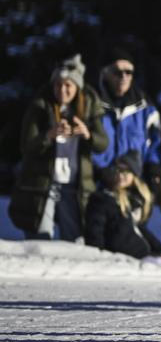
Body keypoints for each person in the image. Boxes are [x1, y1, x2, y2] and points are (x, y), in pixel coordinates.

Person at [10, 55, 109, 240]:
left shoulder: (89, 104)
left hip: (74, 186)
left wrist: (87, 134)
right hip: (42, 184)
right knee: (40, 237)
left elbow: (103, 144)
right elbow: (26, 146)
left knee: (74, 241)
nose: (62, 90)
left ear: (77, 86)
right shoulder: (41, 104)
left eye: (67, 85)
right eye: (58, 84)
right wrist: (49, 134)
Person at [92, 48, 161, 203]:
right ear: (104, 73)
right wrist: (102, 171)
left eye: (128, 71)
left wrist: (154, 174)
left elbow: (156, 144)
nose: (123, 76)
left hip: (136, 187)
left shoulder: (145, 108)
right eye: (117, 72)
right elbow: (88, 142)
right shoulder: (93, 105)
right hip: (100, 187)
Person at [84, 150, 161, 259]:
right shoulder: (103, 200)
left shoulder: (138, 200)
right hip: (120, 258)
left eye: (125, 171)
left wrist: (156, 248)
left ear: (134, 174)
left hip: (141, 253)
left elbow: (138, 229)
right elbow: (94, 234)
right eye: (117, 170)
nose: (120, 175)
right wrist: (98, 258)